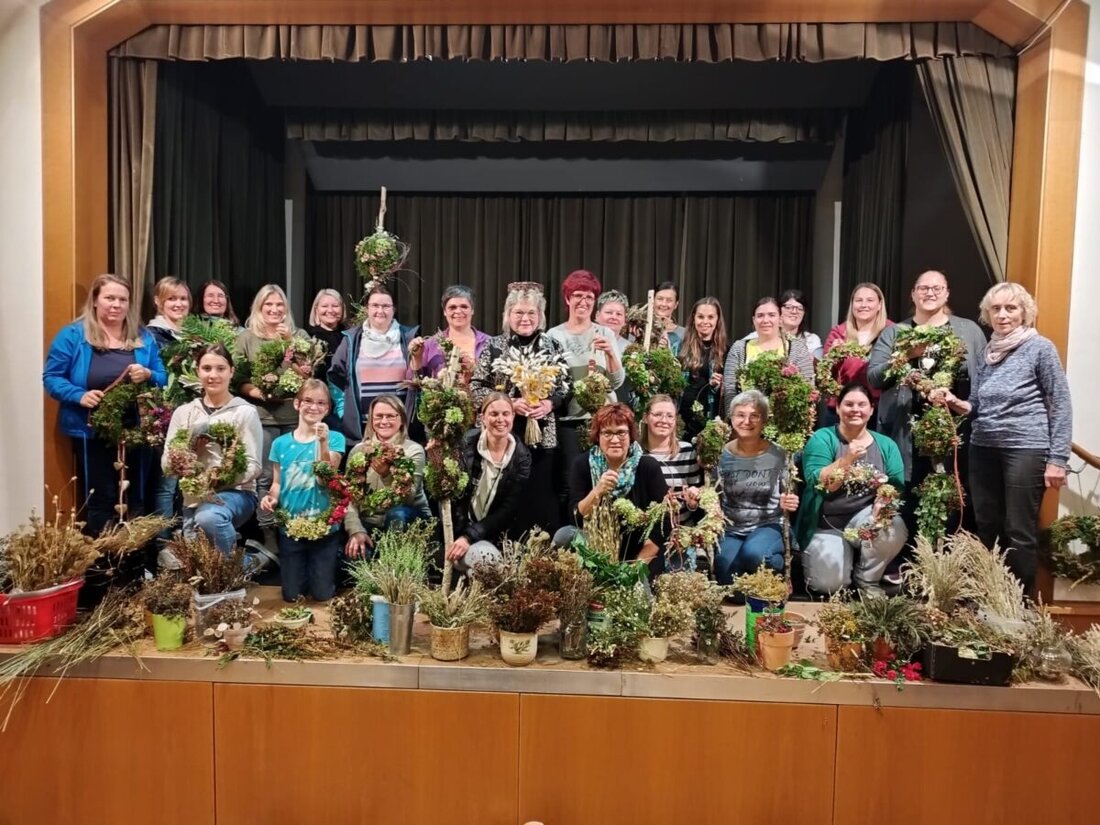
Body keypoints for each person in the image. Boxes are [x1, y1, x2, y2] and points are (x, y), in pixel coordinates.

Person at [934, 283, 1071, 593]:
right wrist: (956, 402)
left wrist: (1058, 459)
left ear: (1025, 312)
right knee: (988, 525)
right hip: (983, 447)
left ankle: (1017, 606)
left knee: (1019, 530)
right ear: (988, 313)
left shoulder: (1040, 348)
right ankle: (991, 597)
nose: (1003, 314)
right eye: (996, 308)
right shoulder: (988, 351)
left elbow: (1060, 403)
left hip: (1025, 448)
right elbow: (977, 403)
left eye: (1011, 308)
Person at [43, 273, 167, 536]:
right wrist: (78, 395)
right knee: (101, 497)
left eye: (123, 299)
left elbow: (162, 376)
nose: (116, 305)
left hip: (136, 430)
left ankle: (133, 556)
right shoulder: (73, 335)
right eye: (110, 298)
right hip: (90, 430)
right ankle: (104, 556)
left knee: (135, 497)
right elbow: (52, 377)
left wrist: (148, 374)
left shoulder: (143, 337)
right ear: (95, 300)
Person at [866, 270, 987, 486]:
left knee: (951, 492)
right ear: (913, 294)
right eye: (923, 288)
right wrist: (906, 355)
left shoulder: (968, 331)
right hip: (906, 430)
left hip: (955, 429)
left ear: (947, 293)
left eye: (937, 288)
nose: (930, 293)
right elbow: (874, 378)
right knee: (908, 492)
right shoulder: (894, 333)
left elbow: (984, 378)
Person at [471, 281, 570, 536]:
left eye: (531, 313)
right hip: (502, 435)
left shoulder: (553, 346)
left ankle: (538, 547)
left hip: (543, 435)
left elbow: (566, 387)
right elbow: (476, 388)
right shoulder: (494, 346)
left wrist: (549, 403)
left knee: (539, 493)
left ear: (540, 315)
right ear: (507, 315)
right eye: (518, 312)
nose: (525, 318)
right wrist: (509, 403)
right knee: (508, 494)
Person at [798, 383, 907, 595]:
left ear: (872, 409)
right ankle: (840, 562)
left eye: (862, 405)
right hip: (826, 523)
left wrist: (883, 503)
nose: (855, 409)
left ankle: (867, 579)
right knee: (829, 586)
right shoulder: (822, 438)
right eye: (848, 404)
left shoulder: (886, 445)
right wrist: (847, 459)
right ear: (838, 408)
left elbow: (896, 486)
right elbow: (819, 484)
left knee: (893, 525)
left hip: (864, 518)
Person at [161, 344, 263, 557]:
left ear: (231, 372)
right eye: (206, 368)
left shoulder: (244, 412)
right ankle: (250, 561)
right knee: (199, 563)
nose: (213, 375)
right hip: (192, 498)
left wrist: (216, 480)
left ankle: (241, 565)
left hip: (236, 493)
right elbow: (166, 463)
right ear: (197, 371)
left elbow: (253, 466)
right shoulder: (184, 413)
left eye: (220, 368)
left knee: (208, 517)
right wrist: (182, 461)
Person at [235, 284, 311, 550]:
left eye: (279, 304)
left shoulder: (299, 335)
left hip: (294, 417)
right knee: (265, 477)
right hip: (262, 417)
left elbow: (308, 373)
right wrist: (258, 392)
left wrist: (289, 342)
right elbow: (238, 378)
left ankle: (293, 529)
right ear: (259, 307)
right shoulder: (246, 337)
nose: (274, 309)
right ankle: (268, 534)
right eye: (268, 304)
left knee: (294, 474)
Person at [260, 380, 346, 602]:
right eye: (308, 401)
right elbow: (277, 483)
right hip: (291, 528)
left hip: (324, 529)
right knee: (292, 596)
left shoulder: (335, 438)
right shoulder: (280, 444)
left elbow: (325, 477)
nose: (314, 407)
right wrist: (271, 498)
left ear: (327, 409)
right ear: (297, 404)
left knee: (322, 594)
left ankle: (327, 573)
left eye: (321, 403)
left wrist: (323, 443)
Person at [547, 270, 625, 505]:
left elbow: (616, 382)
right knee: (570, 480)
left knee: (604, 478)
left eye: (589, 297)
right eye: (578, 295)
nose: (583, 301)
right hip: (569, 421)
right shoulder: (554, 335)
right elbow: (552, 383)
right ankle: (571, 524)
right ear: (567, 298)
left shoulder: (605, 333)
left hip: (602, 420)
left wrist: (610, 353)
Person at [563, 403, 671, 572]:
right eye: (607, 433)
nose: (614, 440)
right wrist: (597, 491)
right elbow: (575, 518)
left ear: (630, 435)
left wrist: (635, 568)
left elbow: (663, 524)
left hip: (639, 555)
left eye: (621, 433)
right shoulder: (582, 464)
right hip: (596, 552)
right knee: (564, 535)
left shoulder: (648, 467)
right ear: (598, 436)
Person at [714, 390, 799, 584]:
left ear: (764, 421)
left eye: (754, 416)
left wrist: (788, 500)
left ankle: (775, 574)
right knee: (726, 573)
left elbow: (789, 491)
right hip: (732, 528)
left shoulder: (779, 454)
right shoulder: (720, 454)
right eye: (740, 415)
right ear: (731, 418)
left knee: (754, 554)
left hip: (769, 524)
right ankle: (754, 585)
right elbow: (713, 493)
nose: (747, 421)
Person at [447, 393, 533, 571]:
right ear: (482, 418)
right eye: (494, 414)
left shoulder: (521, 457)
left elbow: (507, 510)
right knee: (484, 561)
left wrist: (470, 537)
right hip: (456, 535)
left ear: (513, 416)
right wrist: (461, 536)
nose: (500, 419)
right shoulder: (464, 445)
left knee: (486, 561)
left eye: (505, 414)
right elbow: (453, 498)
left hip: (491, 535)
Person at [343, 395, 431, 559]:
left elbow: (408, 497)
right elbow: (349, 498)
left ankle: (394, 565)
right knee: (353, 555)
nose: (384, 421)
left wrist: (386, 474)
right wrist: (356, 531)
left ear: (402, 420)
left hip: (408, 516)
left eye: (390, 416)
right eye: (378, 416)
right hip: (370, 522)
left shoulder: (413, 450)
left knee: (397, 515)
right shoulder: (358, 451)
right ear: (371, 420)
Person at [328, 285, 419, 444]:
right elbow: (335, 377)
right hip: (363, 430)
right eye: (375, 305)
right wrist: (344, 411)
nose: (380, 310)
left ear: (393, 309)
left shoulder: (408, 338)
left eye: (386, 306)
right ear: (367, 309)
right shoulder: (351, 340)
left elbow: (419, 378)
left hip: (400, 429)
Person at [722, 297, 815, 415]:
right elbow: (730, 390)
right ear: (754, 320)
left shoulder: (798, 348)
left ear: (780, 319)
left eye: (771, 315)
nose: (765, 320)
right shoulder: (739, 348)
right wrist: (736, 418)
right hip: (747, 420)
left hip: (785, 419)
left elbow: (808, 389)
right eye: (760, 316)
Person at [820, 283, 893, 427]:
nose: (863, 305)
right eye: (858, 300)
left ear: (879, 305)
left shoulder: (892, 332)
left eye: (870, 300)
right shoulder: (839, 332)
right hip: (843, 408)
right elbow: (825, 373)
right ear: (852, 304)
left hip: (878, 410)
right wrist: (833, 357)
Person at [409, 285, 491, 379]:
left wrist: (474, 369)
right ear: (444, 311)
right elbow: (413, 382)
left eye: (464, 307)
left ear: (472, 310)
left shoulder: (489, 343)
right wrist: (417, 358)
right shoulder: (430, 344)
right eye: (452, 307)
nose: (458, 311)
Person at [678, 296, 728, 440]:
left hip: (710, 418)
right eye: (700, 317)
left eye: (710, 317)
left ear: (717, 320)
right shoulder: (680, 347)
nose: (705, 321)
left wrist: (718, 384)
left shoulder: (726, 351)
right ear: (694, 318)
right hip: (682, 418)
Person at [305, 288, 347, 378]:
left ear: (343, 308)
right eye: (324, 306)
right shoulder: (309, 337)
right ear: (316, 310)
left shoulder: (350, 335)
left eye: (335, 306)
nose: (330, 310)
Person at [146, 277, 192, 349]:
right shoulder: (151, 336)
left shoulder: (197, 333)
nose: (179, 304)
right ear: (158, 301)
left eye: (183, 298)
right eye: (172, 299)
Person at [653, 281, 686, 353]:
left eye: (669, 300)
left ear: (676, 304)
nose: (664, 304)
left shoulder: (685, 334)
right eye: (660, 299)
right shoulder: (638, 331)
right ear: (653, 300)